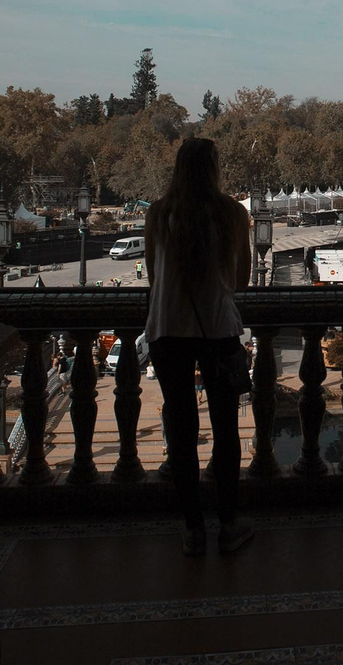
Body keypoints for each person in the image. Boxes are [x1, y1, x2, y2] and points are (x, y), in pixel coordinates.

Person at [145, 137, 255, 557]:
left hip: (168, 333)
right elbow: (242, 280)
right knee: (226, 432)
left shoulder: (158, 214)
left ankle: (192, 529)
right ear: (214, 169)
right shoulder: (230, 213)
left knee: (182, 432)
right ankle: (228, 524)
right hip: (218, 333)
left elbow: (156, 281)